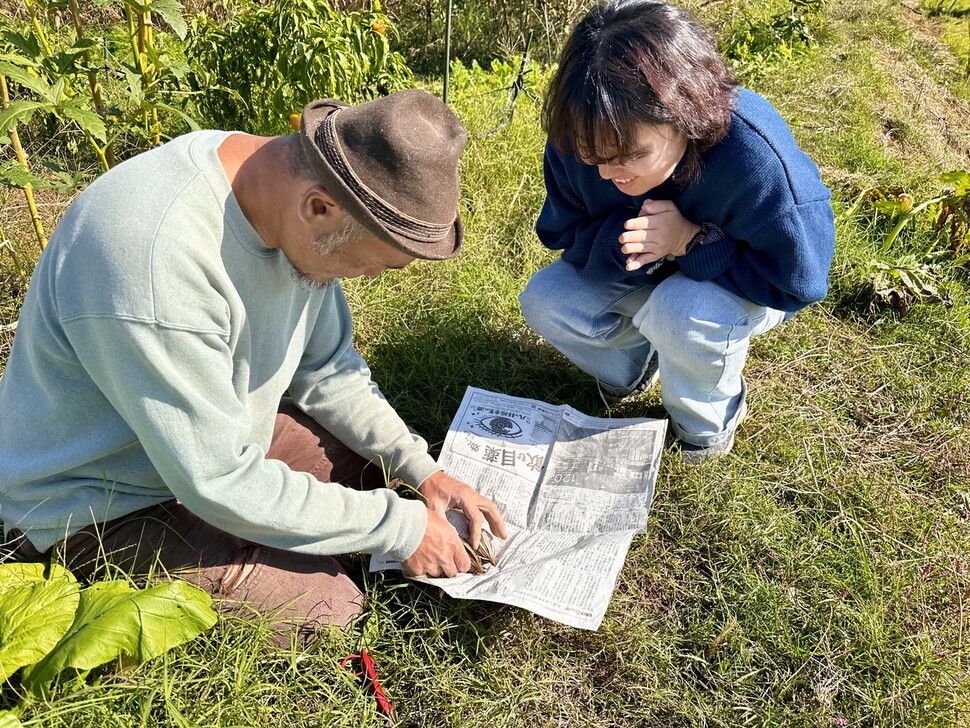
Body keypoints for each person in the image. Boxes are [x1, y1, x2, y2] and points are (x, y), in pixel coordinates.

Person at [0, 89, 507, 641]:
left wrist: (421, 470)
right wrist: (400, 528)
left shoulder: (292, 207)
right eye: (373, 265)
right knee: (328, 613)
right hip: (100, 499)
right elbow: (216, 479)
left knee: (381, 482)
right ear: (320, 207)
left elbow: (329, 368)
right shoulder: (154, 257)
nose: (369, 280)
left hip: (217, 435)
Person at [518, 0, 835, 463]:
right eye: (594, 157)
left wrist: (690, 241)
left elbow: (795, 282)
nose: (609, 175)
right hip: (645, 268)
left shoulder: (757, 161)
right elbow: (563, 231)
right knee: (546, 298)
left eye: (630, 154)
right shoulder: (577, 137)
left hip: (744, 279)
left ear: (682, 113)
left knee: (681, 310)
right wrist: (629, 238)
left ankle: (705, 427)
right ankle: (633, 370)